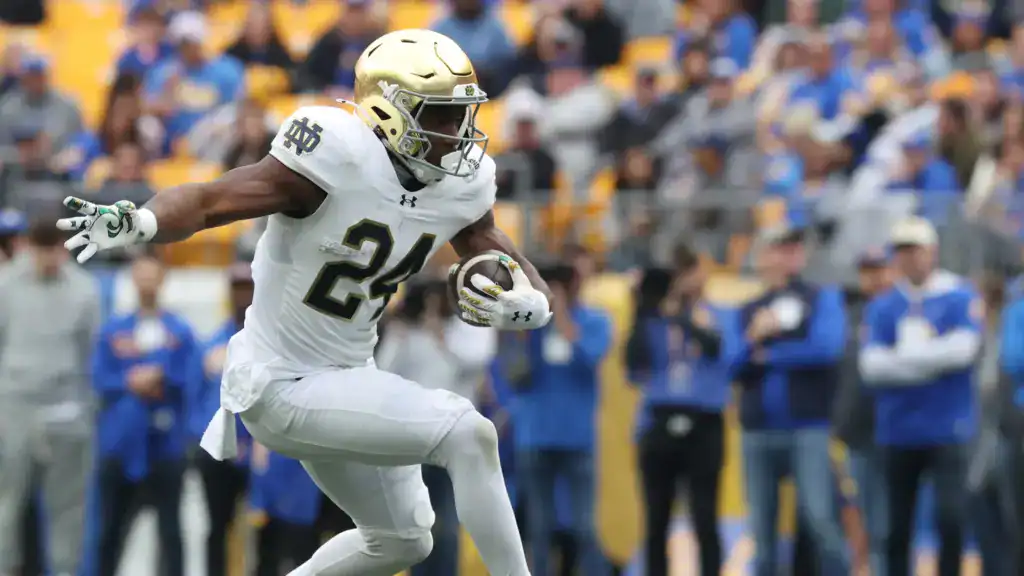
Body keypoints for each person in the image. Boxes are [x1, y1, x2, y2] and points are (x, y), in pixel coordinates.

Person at [58, 29, 551, 576]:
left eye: (461, 116)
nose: (458, 134)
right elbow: (210, 200)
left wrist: (528, 303)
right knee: (469, 433)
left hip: (349, 377)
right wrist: (142, 220)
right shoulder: (337, 154)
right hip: (282, 382)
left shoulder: (459, 183)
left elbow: (501, 257)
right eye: (439, 116)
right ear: (390, 113)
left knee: (402, 541)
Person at [860, 216, 981, 576]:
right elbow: (871, 366)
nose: (909, 259)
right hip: (898, 430)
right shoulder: (884, 305)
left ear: (932, 251)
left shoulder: (958, 295)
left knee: (951, 520)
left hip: (949, 429)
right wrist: (931, 359)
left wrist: (903, 360)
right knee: (896, 527)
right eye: (902, 252)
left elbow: (963, 351)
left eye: (915, 250)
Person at [729, 225, 850, 576]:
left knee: (821, 522)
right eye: (780, 248)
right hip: (758, 430)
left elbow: (827, 349)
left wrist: (768, 352)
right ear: (762, 256)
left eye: (794, 247)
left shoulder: (819, 298)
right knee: (762, 535)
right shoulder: (750, 309)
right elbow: (732, 365)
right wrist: (754, 338)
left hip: (807, 426)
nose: (789, 254)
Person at [376, 278, 498, 576]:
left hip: (455, 441)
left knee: (448, 521)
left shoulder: (470, 328)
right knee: (418, 522)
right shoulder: (410, 333)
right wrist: (397, 335)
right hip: (414, 442)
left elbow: (475, 361)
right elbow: (382, 372)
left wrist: (442, 336)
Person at [625, 245, 731, 576]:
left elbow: (717, 348)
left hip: (704, 422)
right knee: (656, 518)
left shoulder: (716, 313)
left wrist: (680, 315)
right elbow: (633, 366)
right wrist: (639, 309)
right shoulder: (652, 319)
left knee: (705, 516)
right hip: (659, 418)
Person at [0, 219, 98, 576]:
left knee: (68, 506)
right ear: (27, 245)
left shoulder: (83, 289)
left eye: (54, 247)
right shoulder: (6, 285)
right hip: (14, 405)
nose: (48, 257)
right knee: (7, 504)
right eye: (41, 247)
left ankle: (64, 570)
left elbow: (90, 352)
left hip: (68, 404)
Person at [92, 252, 198, 576]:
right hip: (120, 445)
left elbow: (189, 379)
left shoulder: (179, 331)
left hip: (164, 445)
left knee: (170, 531)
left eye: (153, 275)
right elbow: (99, 378)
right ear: (132, 279)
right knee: (109, 529)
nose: (147, 282)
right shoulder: (114, 330)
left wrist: (159, 377)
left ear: (163, 279)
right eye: (141, 275)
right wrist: (130, 380)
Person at [514, 262, 612, 576]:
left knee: (583, 527)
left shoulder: (596, 321)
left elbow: (590, 358)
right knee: (539, 529)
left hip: (577, 438)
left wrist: (563, 316)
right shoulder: (528, 326)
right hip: (535, 437)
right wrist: (526, 326)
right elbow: (516, 373)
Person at [191, 262, 255, 576]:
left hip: (261, 451)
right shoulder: (213, 343)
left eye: (247, 288)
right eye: (237, 288)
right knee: (217, 526)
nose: (242, 295)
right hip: (219, 454)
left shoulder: (268, 343)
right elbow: (200, 402)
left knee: (265, 530)